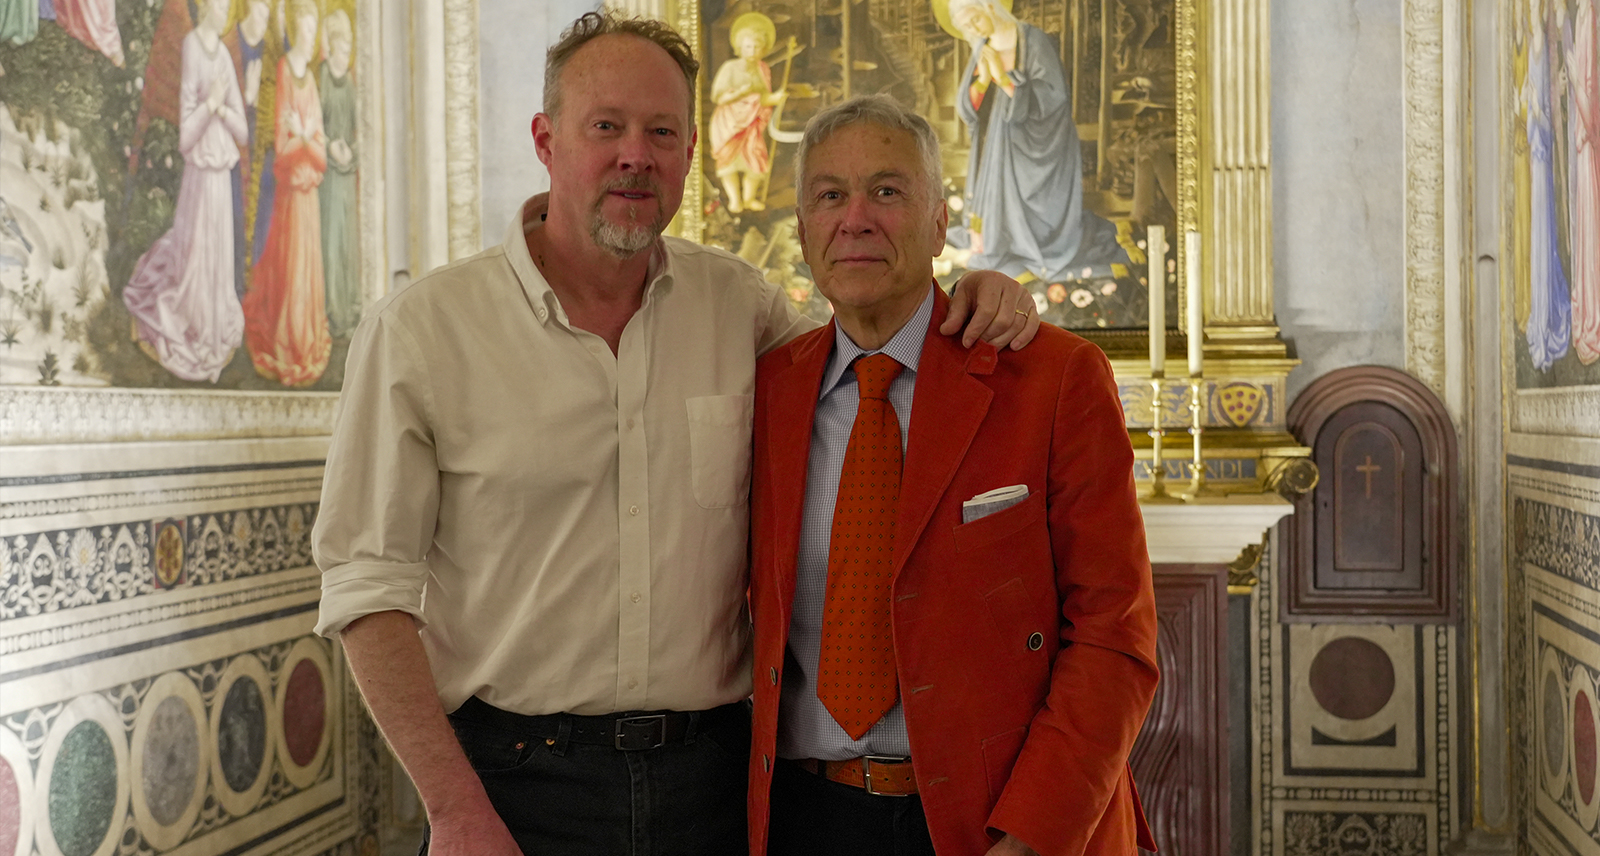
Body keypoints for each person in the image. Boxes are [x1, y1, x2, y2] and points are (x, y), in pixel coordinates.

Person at [311, 12, 1040, 856]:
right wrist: (453, 808)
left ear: (692, 152)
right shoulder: (424, 331)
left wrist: (978, 290)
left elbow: (872, 346)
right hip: (513, 788)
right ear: (546, 140)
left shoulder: (745, 310)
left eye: (661, 131)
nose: (635, 155)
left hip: (718, 791)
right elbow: (366, 587)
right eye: (607, 127)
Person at [747, 95, 1159, 856]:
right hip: (806, 820)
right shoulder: (766, 389)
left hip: (995, 824)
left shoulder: (1053, 379)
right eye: (830, 195)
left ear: (941, 222)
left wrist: (1034, 835)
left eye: (888, 190)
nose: (856, 217)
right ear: (802, 228)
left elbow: (1114, 637)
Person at [942, 0, 1126, 284]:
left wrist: (1004, 79)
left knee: (1031, 216)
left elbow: (1053, 101)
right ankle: (990, 240)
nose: (972, 30)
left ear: (990, 7)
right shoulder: (983, 45)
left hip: (1034, 146)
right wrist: (983, 81)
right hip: (993, 144)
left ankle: (1026, 242)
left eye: (974, 21)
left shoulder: (1033, 40)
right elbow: (968, 107)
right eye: (965, 27)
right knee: (987, 209)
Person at [122, 0, 248, 383]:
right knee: (194, 250)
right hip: (200, 169)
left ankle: (209, 319)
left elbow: (242, 131)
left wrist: (221, 109)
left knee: (217, 252)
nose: (227, 11)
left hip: (220, 169)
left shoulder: (224, 54)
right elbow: (187, 132)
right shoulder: (194, 45)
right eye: (222, 4)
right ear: (207, 6)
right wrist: (212, 104)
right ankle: (190, 316)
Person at [243, 0, 330, 385]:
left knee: (308, 266)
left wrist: (305, 136)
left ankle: (303, 342)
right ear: (296, 31)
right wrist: (302, 139)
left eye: (315, 32)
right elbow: (282, 145)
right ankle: (287, 341)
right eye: (307, 32)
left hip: (308, 191)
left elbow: (321, 153)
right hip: (289, 192)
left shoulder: (310, 82)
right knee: (289, 265)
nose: (311, 40)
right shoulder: (283, 71)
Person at [710, 11, 785, 214]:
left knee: (755, 159)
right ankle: (735, 200)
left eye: (757, 47)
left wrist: (777, 97)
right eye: (748, 46)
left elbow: (763, 97)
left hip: (752, 123)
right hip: (729, 122)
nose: (752, 51)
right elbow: (718, 98)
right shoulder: (730, 68)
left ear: (763, 49)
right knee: (729, 161)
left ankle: (749, 198)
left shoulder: (763, 69)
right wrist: (741, 94)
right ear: (739, 48)